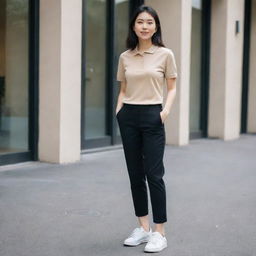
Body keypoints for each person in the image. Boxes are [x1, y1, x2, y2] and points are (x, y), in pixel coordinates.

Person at [115, 4, 177, 253]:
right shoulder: (125, 56)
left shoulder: (165, 54)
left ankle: (160, 232)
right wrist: (118, 111)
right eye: (140, 22)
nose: (144, 26)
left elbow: (171, 87)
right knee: (135, 174)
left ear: (156, 26)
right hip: (128, 114)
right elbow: (122, 89)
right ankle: (143, 228)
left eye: (149, 22)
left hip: (153, 114)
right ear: (134, 26)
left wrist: (165, 112)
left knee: (154, 175)